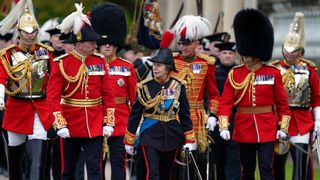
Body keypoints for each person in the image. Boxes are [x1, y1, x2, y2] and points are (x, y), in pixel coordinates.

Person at [218, 9, 291, 180]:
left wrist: (283, 127)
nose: (244, 57)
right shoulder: (235, 74)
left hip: (267, 127)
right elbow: (226, 102)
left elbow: (282, 104)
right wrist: (223, 125)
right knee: (247, 170)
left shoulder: (272, 73)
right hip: (243, 128)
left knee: (266, 168)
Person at [46, 3, 115, 179]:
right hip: (69, 123)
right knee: (68, 169)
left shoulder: (99, 62)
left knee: (94, 168)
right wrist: (60, 124)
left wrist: (108, 121)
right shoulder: (61, 64)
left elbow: (108, 95)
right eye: (91, 42)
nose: (95, 46)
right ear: (80, 43)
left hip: (94, 123)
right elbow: (53, 97)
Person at [123, 31, 196, 179]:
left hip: (172, 134)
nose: (155, 68)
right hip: (149, 134)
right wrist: (129, 140)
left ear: (168, 68)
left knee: (167, 174)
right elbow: (135, 114)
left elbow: (184, 114)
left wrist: (189, 138)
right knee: (152, 172)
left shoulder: (178, 86)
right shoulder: (144, 87)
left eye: (159, 65)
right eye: (154, 65)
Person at [0, 0, 54, 179]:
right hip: (16, 108)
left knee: (37, 159)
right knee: (15, 159)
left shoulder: (46, 53)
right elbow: (2, 79)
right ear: (19, 32)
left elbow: (53, 82)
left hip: (39, 107)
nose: (29, 35)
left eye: (33, 32)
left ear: (37, 32)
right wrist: (0, 97)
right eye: (25, 31)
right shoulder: (8, 55)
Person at [91, 3, 138, 180]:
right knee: (97, 162)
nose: (107, 47)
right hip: (96, 118)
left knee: (118, 161)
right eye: (103, 43)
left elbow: (134, 99)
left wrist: (135, 125)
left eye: (110, 43)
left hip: (120, 121)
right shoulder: (91, 65)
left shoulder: (126, 67)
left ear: (116, 45)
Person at [271, 12, 320, 180]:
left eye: (294, 51)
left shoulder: (310, 70)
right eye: (287, 49)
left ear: (301, 51)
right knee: (277, 165)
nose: (289, 53)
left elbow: (316, 99)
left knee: (300, 166)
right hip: (279, 121)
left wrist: (318, 123)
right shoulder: (274, 69)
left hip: (302, 122)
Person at [171, 15, 220, 179]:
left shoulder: (207, 64)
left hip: (197, 119)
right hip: (175, 116)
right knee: (175, 161)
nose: (184, 47)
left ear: (197, 43)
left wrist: (213, 114)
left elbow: (213, 94)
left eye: (188, 43)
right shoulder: (172, 61)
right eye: (182, 43)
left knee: (198, 160)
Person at [208, 42, 241, 180]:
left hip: (236, 119)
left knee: (235, 158)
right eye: (224, 53)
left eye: (231, 53)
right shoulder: (213, 72)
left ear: (234, 56)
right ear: (219, 55)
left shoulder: (240, 72)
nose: (228, 56)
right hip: (217, 120)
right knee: (218, 158)